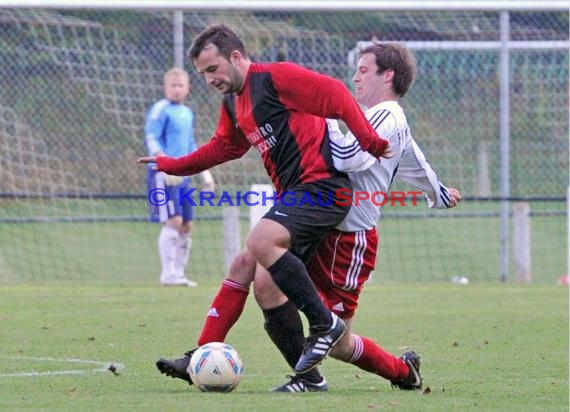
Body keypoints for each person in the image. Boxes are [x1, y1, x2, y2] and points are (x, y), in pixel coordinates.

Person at [154, 41, 461, 392]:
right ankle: (212, 358)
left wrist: (331, 124)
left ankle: (397, 369)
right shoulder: (355, 114)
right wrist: (438, 191)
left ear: (387, 75)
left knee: (341, 343)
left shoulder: (388, 115)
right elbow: (413, 159)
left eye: (364, 70)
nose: (355, 77)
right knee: (254, 271)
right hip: (318, 217)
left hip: (349, 234)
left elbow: (352, 156)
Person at [138, 24, 393, 372]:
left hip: (323, 190)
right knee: (252, 275)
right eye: (203, 74)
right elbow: (224, 147)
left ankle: (323, 322)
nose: (210, 79)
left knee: (260, 240)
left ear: (237, 57)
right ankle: (215, 358)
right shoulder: (233, 103)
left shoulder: (275, 78)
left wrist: (369, 140)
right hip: (296, 197)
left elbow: (334, 92)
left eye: (213, 69)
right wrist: (173, 165)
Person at [144, 68, 215, 287]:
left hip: (183, 175)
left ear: (187, 88)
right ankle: (168, 274)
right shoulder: (160, 110)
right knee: (173, 221)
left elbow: (191, 145)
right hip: (163, 174)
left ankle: (179, 273)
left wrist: (205, 173)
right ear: (166, 88)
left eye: (180, 85)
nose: (176, 89)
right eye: (172, 86)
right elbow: (152, 137)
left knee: (186, 224)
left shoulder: (187, 113)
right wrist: (164, 164)